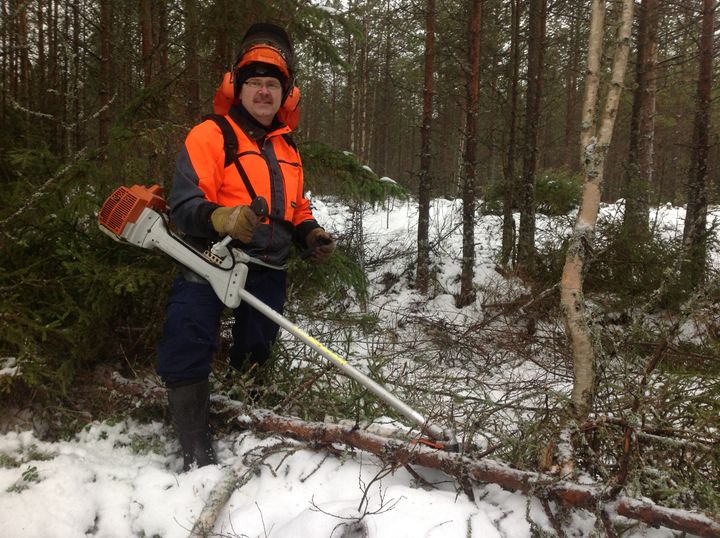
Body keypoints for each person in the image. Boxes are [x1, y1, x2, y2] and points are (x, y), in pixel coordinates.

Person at [156, 22, 335, 470]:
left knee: (258, 346)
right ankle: (195, 444)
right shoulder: (210, 135)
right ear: (236, 87)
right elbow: (183, 204)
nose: (262, 92)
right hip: (211, 256)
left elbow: (295, 206)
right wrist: (220, 217)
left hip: (268, 263)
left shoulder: (288, 148)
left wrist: (308, 231)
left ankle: (245, 411)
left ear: (285, 94)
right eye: (254, 82)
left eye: (271, 84)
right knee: (188, 333)